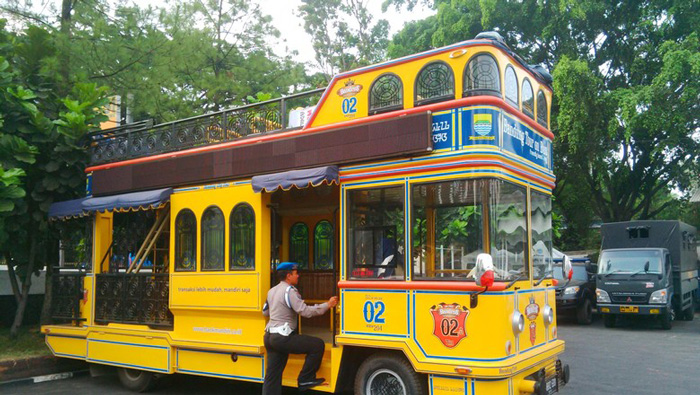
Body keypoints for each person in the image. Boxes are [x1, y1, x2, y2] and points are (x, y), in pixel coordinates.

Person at [262, 262, 338, 395]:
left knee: (272, 376)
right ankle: (305, 379)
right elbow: (306, 312)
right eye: (296, 273)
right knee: (317, 345)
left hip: (269, 337)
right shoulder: (289, 291)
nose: (298, 276)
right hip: (282, 337)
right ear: (288, 275)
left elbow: (265, 312)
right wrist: (328, 305)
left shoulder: (271, 291)